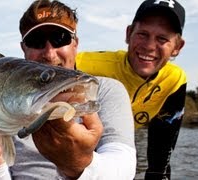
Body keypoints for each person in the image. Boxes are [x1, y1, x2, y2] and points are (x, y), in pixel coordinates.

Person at [0, 0, 136, 179]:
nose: (49, 54)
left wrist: (78, 165)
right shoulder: (5, 98)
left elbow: (123, 167)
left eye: (60, 38)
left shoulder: (106, 91)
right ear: (23, 48)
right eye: (36, 41)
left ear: (75, 44)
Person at [76, 0, 186, 179]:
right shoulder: (84, 64)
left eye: (162, 39)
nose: (149, 46)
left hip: (114, 151)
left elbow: (160, 159)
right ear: (128, 34)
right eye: (142, 34)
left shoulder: (174, 81)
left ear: (177, 47)